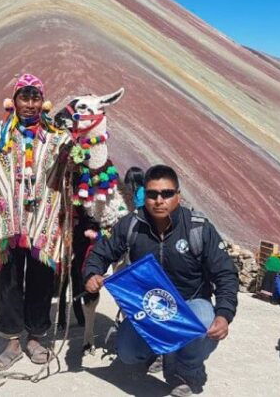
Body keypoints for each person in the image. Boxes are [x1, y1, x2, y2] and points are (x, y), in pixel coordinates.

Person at [84, 164, 239, 397]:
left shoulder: (199, 228)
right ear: (144, 195)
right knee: (126, 352)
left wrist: (224, 313)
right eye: (152, 194)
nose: (159, 200)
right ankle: (158, 351)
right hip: (150, 311)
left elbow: (226, 273)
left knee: (205, 321)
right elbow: (100, 253)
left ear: (178, 195)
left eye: (166, 193)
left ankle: (185, 369)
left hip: (190, 306)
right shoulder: (131, 225)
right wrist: (92, 274)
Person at [0, 73, 72, 371]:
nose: (30, 104)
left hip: (44, 224)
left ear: (42, 102)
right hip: (7, 224)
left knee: (41, 280)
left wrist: (79, 151)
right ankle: (11, 341)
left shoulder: (57, 137)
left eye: (36, 98)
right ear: (14, 101)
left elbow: (73, 170)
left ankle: (35, 337)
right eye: (25, 97)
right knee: (8, 281)